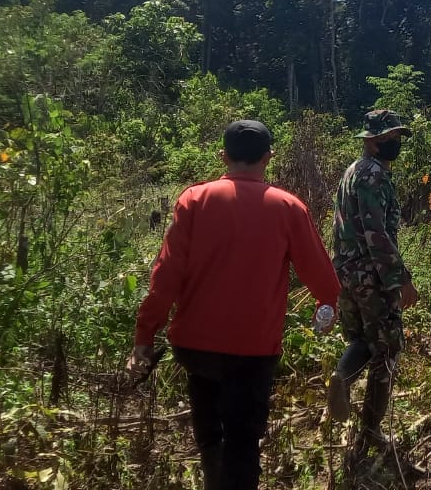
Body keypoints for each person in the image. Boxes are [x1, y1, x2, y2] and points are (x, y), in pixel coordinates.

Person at [128, 120, 341, 490]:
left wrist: (144, 335)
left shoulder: (193, 200)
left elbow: (165, 276)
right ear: (268, 157)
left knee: (211, 435)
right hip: (253, 349)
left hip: (195, 347)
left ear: (223, 156)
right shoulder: (288, 207)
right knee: (243, 442)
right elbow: (322, 278)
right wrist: (327, 306)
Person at [326, 109, 420, 467]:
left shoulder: (353, 171)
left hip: (347, 273)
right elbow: (376, 234)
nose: (393, 144)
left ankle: (341, 376)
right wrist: (400, 278)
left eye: (395, 138)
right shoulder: (375, 176)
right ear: (370, 141)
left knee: (364, 340)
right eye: (387, 139)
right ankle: (371, 431)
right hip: (372, 275)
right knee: (389, 348)